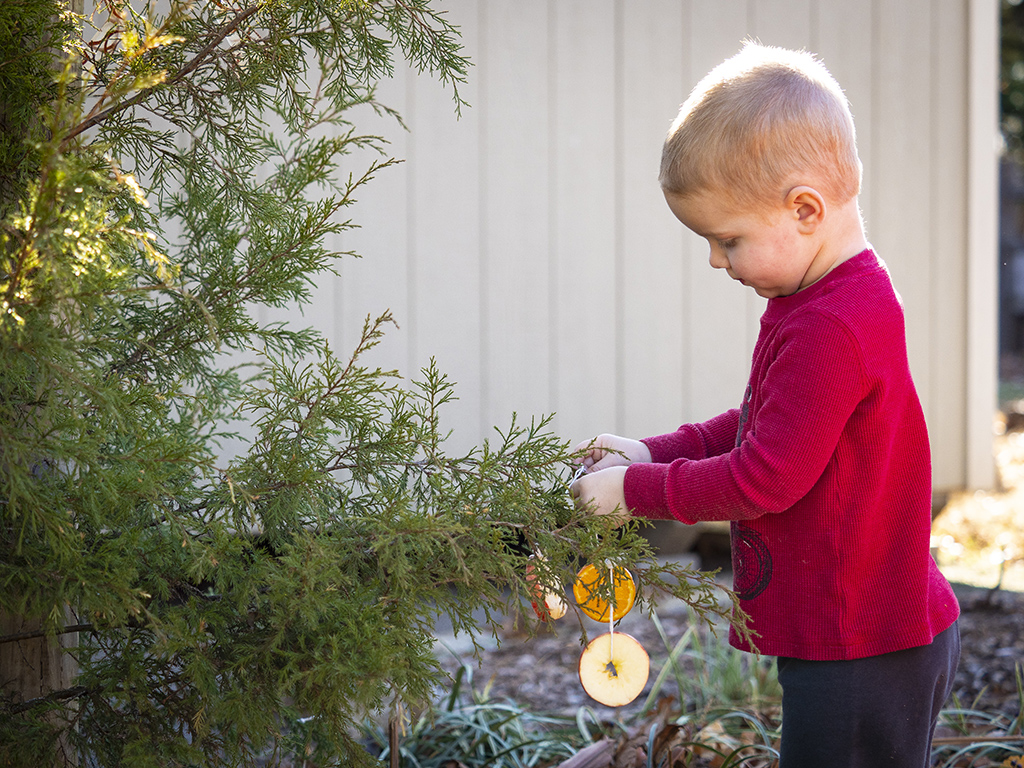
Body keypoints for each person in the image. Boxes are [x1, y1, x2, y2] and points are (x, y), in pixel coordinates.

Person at [570, 42, 960, 768]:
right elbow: (764, 423)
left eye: (728, 239)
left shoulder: (830, 325)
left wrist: (634, 492)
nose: (718, 260)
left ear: (804, 209)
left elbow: (765, 476)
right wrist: (653, 451)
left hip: (861, 645)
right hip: (864, 633)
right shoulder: (826, 299)